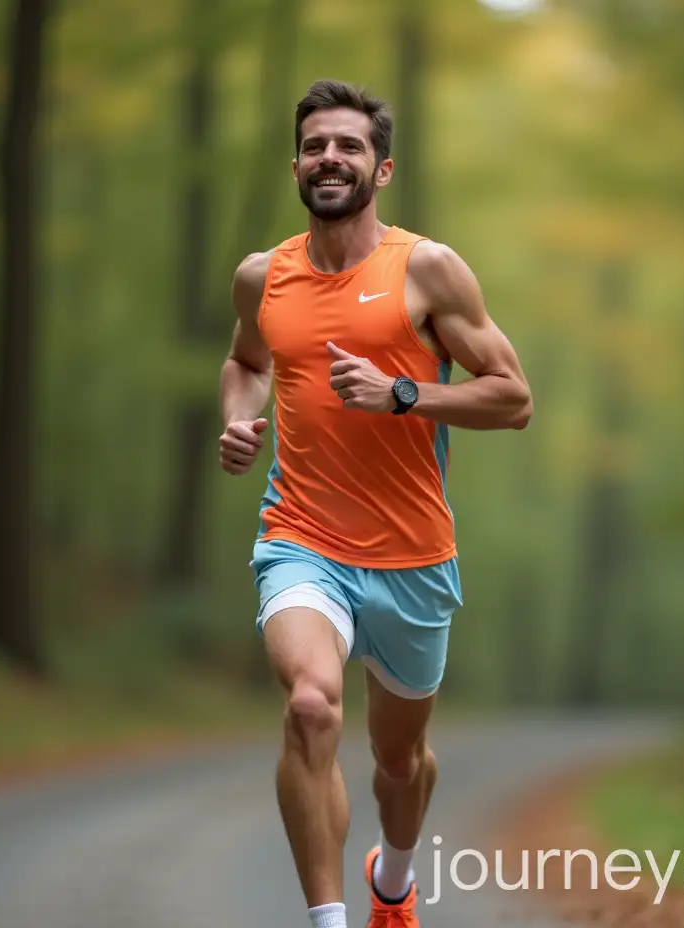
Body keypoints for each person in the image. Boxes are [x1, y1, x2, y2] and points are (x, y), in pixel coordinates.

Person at [217, 78, 532, 928]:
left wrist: (404, 394)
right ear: (295, 165)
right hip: (302, 538)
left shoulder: (426, 270)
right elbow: (246, 363)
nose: (331, 158)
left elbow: (513, 398)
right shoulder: (263, 277)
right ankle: (328, 921)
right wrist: (239, 421)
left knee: (401, 766)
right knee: (311, 707)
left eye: (349, 146)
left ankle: (392, 882)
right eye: (317, 144)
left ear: (381, 169)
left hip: (413, 557)